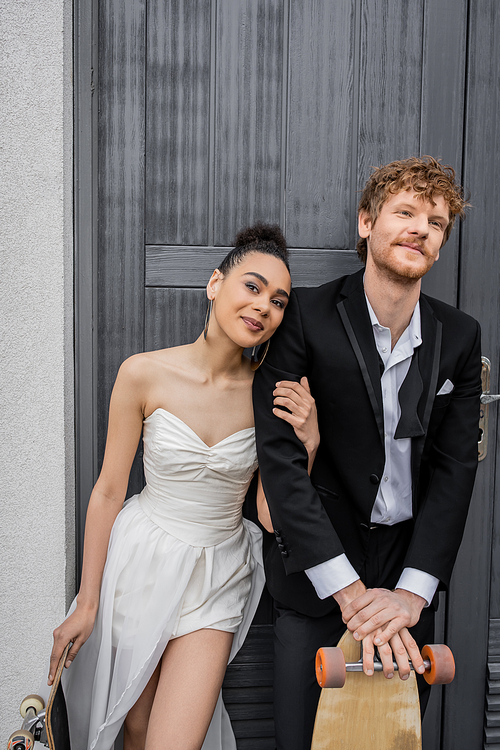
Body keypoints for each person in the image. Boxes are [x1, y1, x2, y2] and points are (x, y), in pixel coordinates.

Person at [47, 223, 320, 750]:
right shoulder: (142, 374)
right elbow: (107, 490)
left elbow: (269, 514)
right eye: (253, 286)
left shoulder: (269, 396)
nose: (264, 306)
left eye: (279, 301)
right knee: (137, 726)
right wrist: (86, 602)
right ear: (216, 283)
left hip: (218, 573)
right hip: (141, 559)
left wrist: (307, 445)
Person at [253, 156, 482, 750]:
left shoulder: (459, 337)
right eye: (404, 212)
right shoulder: (302, 316)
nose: (420, 229)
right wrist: (351, 596)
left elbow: (456, 474)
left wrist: (411, 593)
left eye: (435, 222)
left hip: (408, 576)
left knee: (393, 739)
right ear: (365, 222)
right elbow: (280, 464)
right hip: (319, 570)